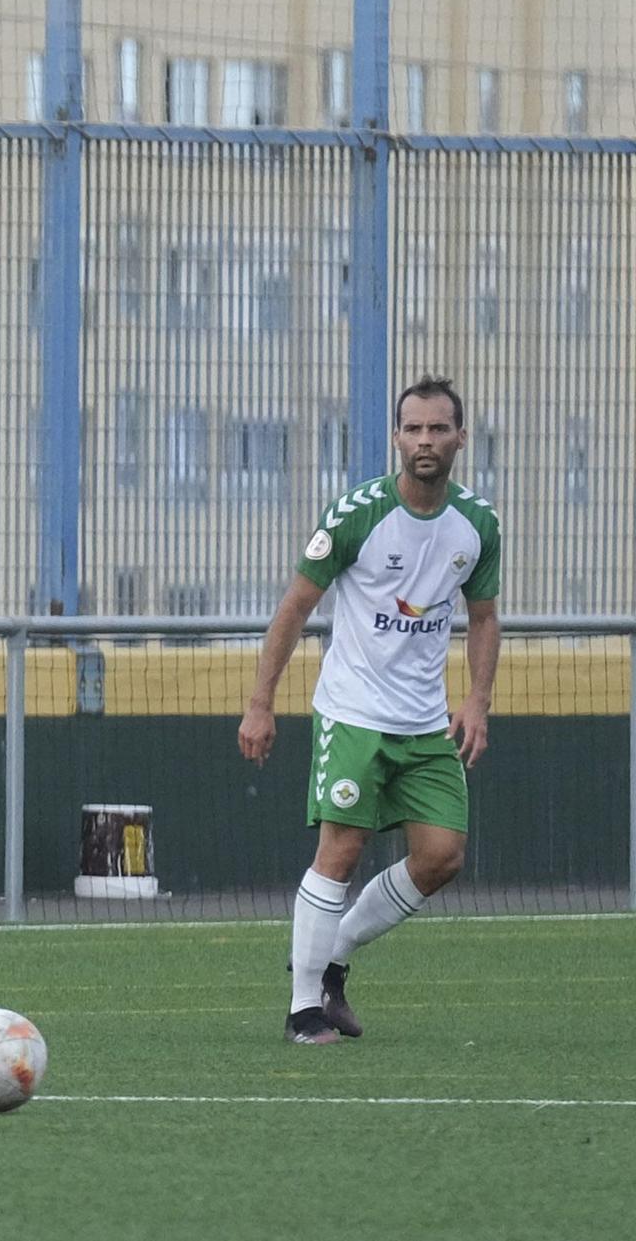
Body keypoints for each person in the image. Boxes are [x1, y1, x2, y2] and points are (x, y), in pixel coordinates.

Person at [238, 376, 500, 1046]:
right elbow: (295, 607)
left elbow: (483, 615)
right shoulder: (356, 513)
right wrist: (260, 703)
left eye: (438, 428)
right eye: (412, 429)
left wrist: (477, 699)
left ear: (459, 438)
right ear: (395, 437)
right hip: (353, 713)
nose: (424, 440)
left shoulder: (477, 525)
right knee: (342, 847)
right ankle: (302, 1010)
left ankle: (332, 959)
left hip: (425, 721)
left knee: (442, 856)